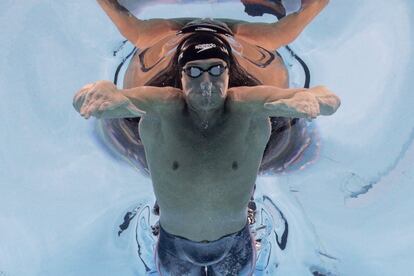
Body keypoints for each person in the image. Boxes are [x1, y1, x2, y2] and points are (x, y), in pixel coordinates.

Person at [73, 0, 338, 275]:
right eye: (195, 71)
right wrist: (101, 93)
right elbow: (110, 99)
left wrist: (311, 101)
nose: (206, 83)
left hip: (230, 240)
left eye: (215, 70)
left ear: (226, 70)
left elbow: (327, 98)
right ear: (183, 73)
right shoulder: (164, 97)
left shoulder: (245, 98)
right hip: (176, 243)